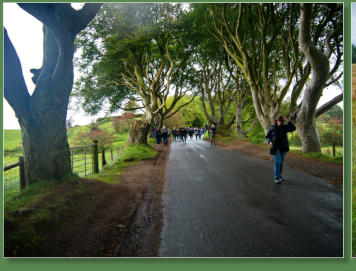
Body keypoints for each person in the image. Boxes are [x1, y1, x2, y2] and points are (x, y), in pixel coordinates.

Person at [265, 116, 296, 184]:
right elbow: (267, 136)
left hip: (283, 147)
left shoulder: (285, 127)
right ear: (276, 121)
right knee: (278, 161)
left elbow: (293, 128)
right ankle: (276, 177)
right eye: (279, 121)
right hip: (275, 147)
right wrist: (269, 141)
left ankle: (279, 176)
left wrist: (287, 120)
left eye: (281, 121)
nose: (280, 122)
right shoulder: (272, 127)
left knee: (281, 162)